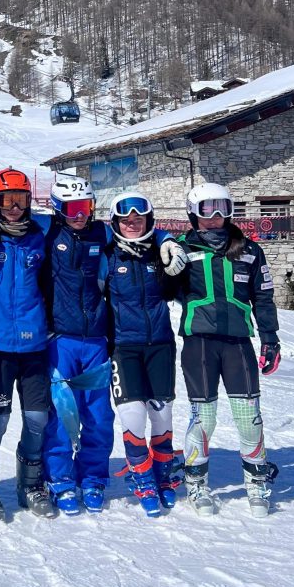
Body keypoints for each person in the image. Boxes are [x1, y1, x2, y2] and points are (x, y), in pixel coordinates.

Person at [176, 183, 280, 517]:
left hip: (237, 342)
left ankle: (257, 483)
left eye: (222, 207)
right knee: (204, 418)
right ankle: (196, 483)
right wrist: (167, 268)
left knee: (249, 418)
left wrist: (270, 339)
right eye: (207, 208)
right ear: (193, 213)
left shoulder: (249, 250)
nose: (216, 215)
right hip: (199, 342)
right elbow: (163, 290)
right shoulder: (182, 248)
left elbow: (263, 297)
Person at [0, 168, 53, 520]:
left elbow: (94, 229)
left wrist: (159, 237)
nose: (15, 208)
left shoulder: (40, 233)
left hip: (34, 344)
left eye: (20, 200)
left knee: (37, 418)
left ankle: (29, 484)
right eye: (6, 201)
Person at [102, 192, 185, 517]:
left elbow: (179, 288)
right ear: (116, 222)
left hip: (160, 344)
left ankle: (163, 473)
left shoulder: (159, 253)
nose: (132, 223)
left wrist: (168, 241)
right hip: (124, 346)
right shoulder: (108, 255)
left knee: (162, 414)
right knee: (132, 414)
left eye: (139, 218)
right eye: (126, 219)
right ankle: (141, 475)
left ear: (149, 220)